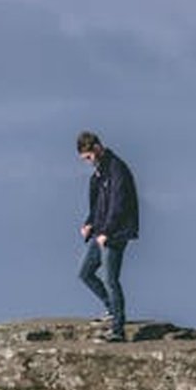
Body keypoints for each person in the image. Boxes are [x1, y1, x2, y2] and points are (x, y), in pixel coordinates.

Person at [76, 131, 139, 342]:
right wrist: (89, 223)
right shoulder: (99, 173)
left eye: (88, 157)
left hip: (116, 233)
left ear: (96, 148)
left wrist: (106, 232)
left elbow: (118, 206)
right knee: (85, 273)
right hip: (102, 231)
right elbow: (99, 207)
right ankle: (111, 309)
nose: (88, 162)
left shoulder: (116, 169)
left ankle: (118, 330)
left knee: (111, 279)